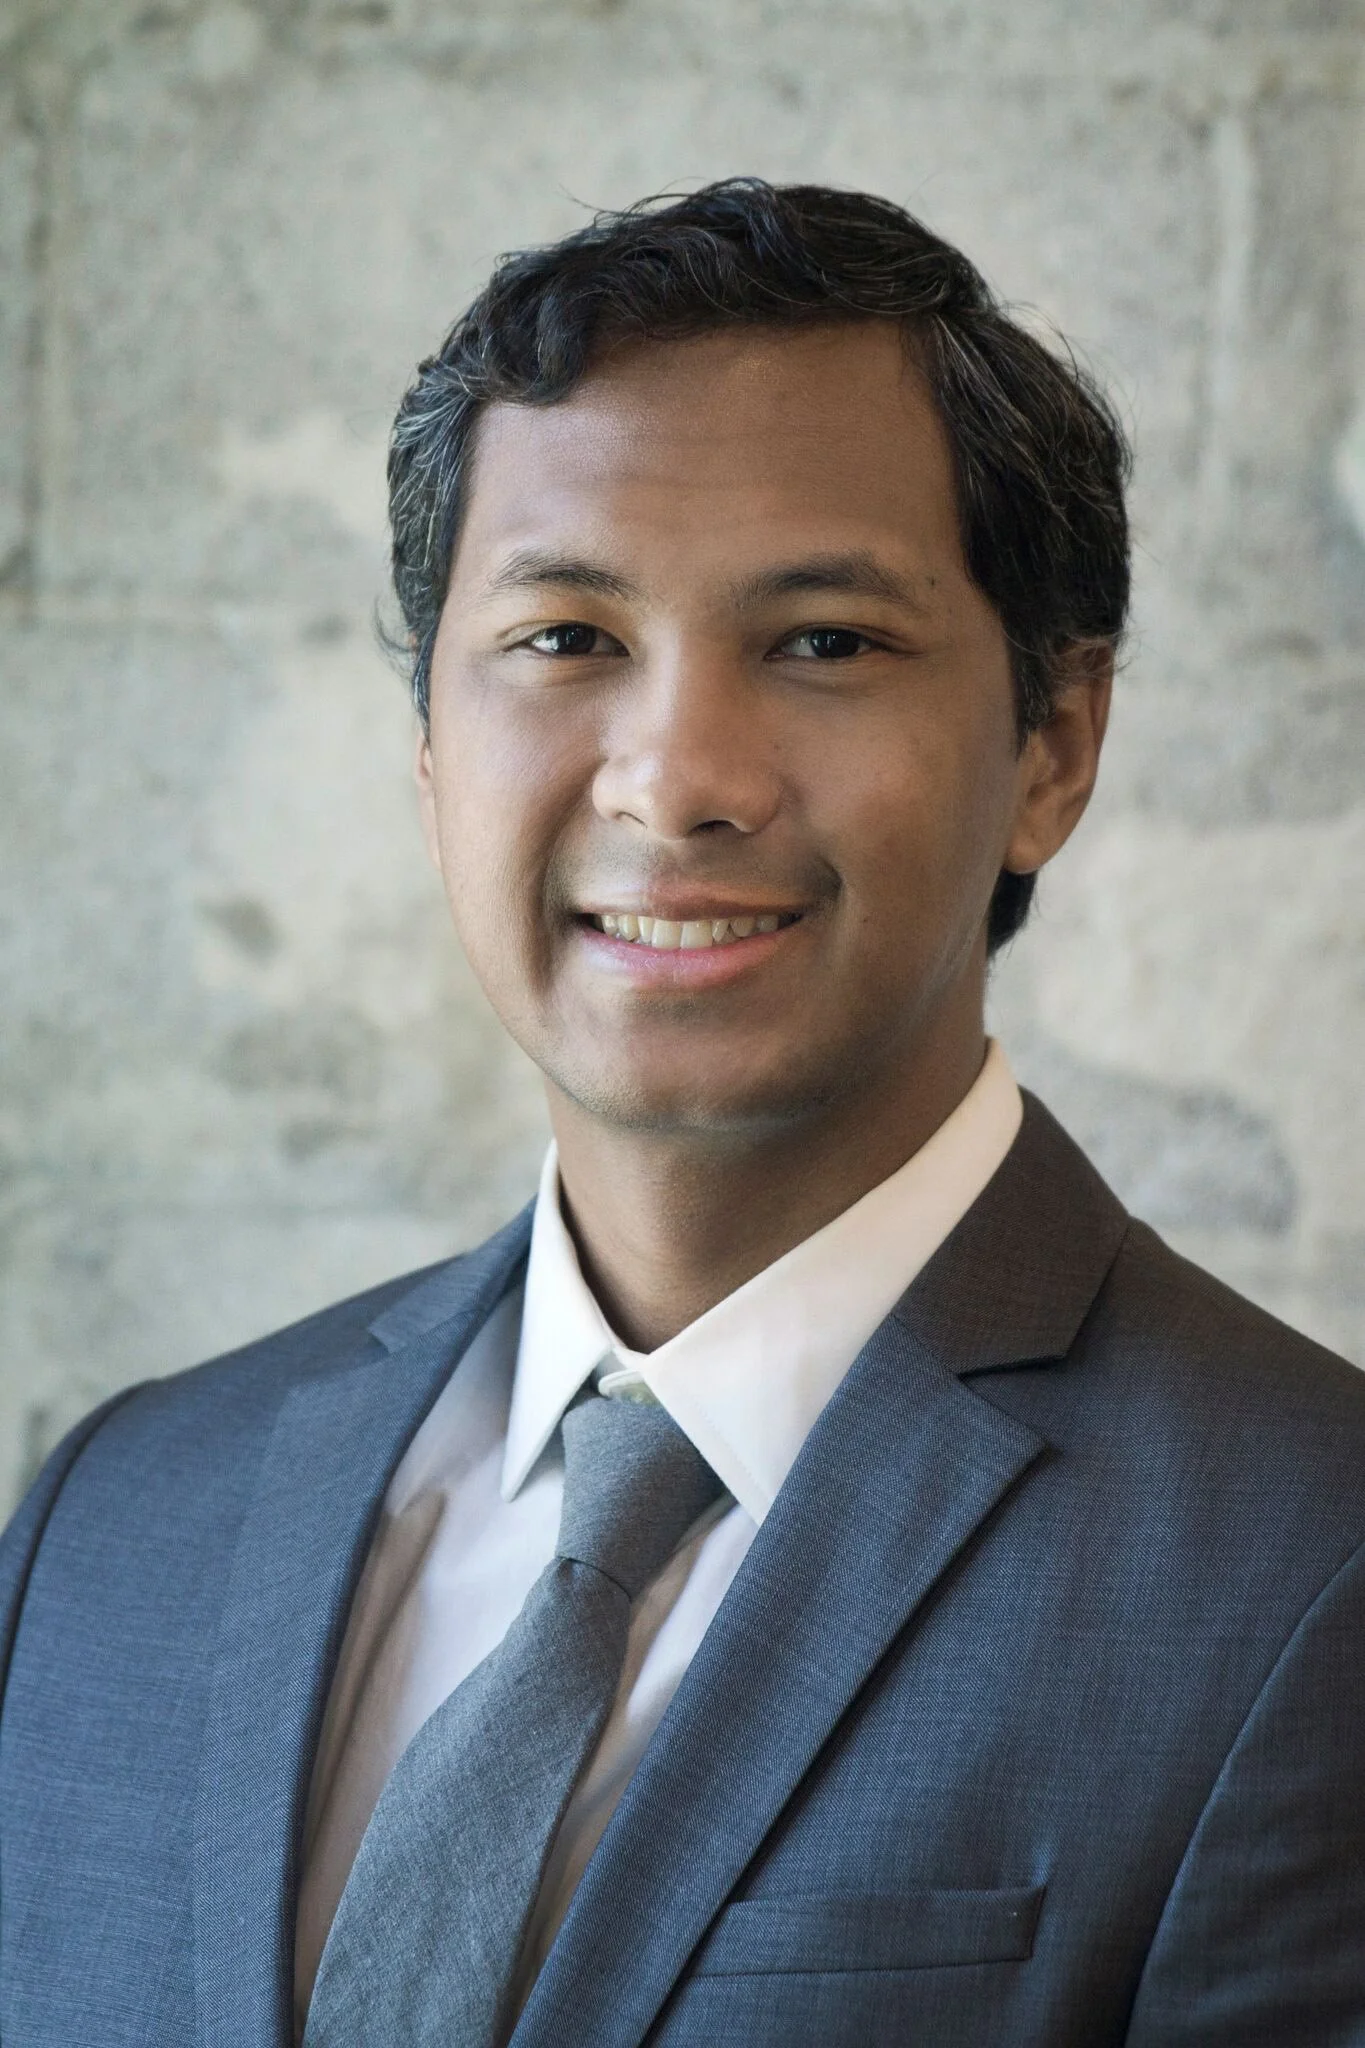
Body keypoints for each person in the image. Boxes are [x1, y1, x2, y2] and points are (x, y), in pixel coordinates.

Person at [2, 179, 1363, 2048]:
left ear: (1053, 746)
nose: (677, 781)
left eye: (826, 643)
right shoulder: (113, 1527)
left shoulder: (1306, 1566)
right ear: (429, 752)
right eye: (566, 638)